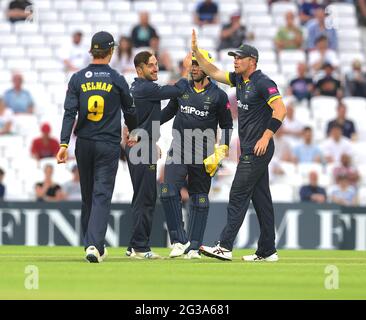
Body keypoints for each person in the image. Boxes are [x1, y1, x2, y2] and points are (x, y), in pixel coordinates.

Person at [191, 30, 287, 262]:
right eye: (234, 57)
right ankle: (268, 250)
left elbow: (281, 110)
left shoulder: (263, 82)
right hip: (251, 149)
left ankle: (224, 246)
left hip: (258, 148)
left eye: (239, 57)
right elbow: (213, 72)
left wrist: (266, 137)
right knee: (261, 199)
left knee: (238, 193)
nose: (235, 60)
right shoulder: (239, 81)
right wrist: (196, 52)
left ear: (252, 62)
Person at [56, 31, 137, 263]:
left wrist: (63, 143)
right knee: (101, 195)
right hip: (108, 144)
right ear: (111, 52)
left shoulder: (78, 78)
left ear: (92, 50)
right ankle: (93, 244)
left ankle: (92, 244)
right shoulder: (116, 79)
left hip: (83, 144)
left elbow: (69, 112)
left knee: (87, 196)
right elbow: (130, 110)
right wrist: (133, 129)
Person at [159, 49, 233, 259]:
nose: (194, 67)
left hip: (204, 153)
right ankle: (179, 240)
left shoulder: (219, 95)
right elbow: (168, 112)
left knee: (199, 199)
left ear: (208, 69)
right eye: (192, 64)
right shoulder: (182, 87)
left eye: (198, 64)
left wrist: (223, 149)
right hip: (179, 148)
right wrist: (145, 127)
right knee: (167, 190)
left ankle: (194, 246)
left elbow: (227, 125)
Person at [124, 51, 191, 259]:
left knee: (142, 197)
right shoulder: (146, 88)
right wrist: (187, 69)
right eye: (151, 65)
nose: (155, 68)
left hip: (142, 145)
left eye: (156, 64)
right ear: (139, 69)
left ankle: (134, 245)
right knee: (146, 198)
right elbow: (178, 89)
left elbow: (158, 116)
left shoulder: (139, 87)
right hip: (141, 148)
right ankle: (140, 247)